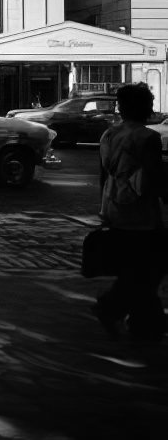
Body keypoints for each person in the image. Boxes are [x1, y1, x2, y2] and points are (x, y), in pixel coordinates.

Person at [93, 82, 167, 342]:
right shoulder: (148, 138)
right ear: (145, 107)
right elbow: (153, 177)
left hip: (114, 207)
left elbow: (104, 175)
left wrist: (105, 207)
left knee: (134, 267)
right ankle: (120, 311)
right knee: (147, 268)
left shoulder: (109, 135)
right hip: (140, 213)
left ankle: (143, 321)